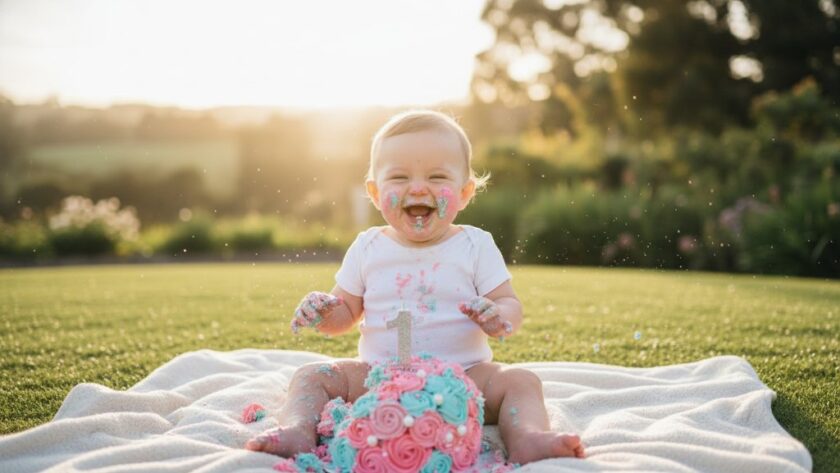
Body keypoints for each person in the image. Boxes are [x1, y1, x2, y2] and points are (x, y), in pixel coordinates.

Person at [245, 110, 585, 464]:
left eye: (437, 176)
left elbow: (508, 302)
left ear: (465, 192)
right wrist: (325, 310)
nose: (418, 187)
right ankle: (298, 431)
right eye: (399, 176)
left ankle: (528, 438)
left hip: (465, 379)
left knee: (521, 380)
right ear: (375, 193)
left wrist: (498, 315)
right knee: (312, 375)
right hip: (378, 379)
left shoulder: (474, 245)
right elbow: (344, 314)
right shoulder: (368, 247)